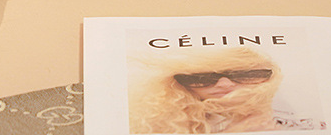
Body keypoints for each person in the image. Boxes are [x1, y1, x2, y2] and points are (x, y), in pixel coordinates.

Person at [127, 46, 303, 133]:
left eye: (243, 75)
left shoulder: (294, 122)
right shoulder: (158, 125)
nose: (224, 84)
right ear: (180, 83)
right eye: (203, 78)